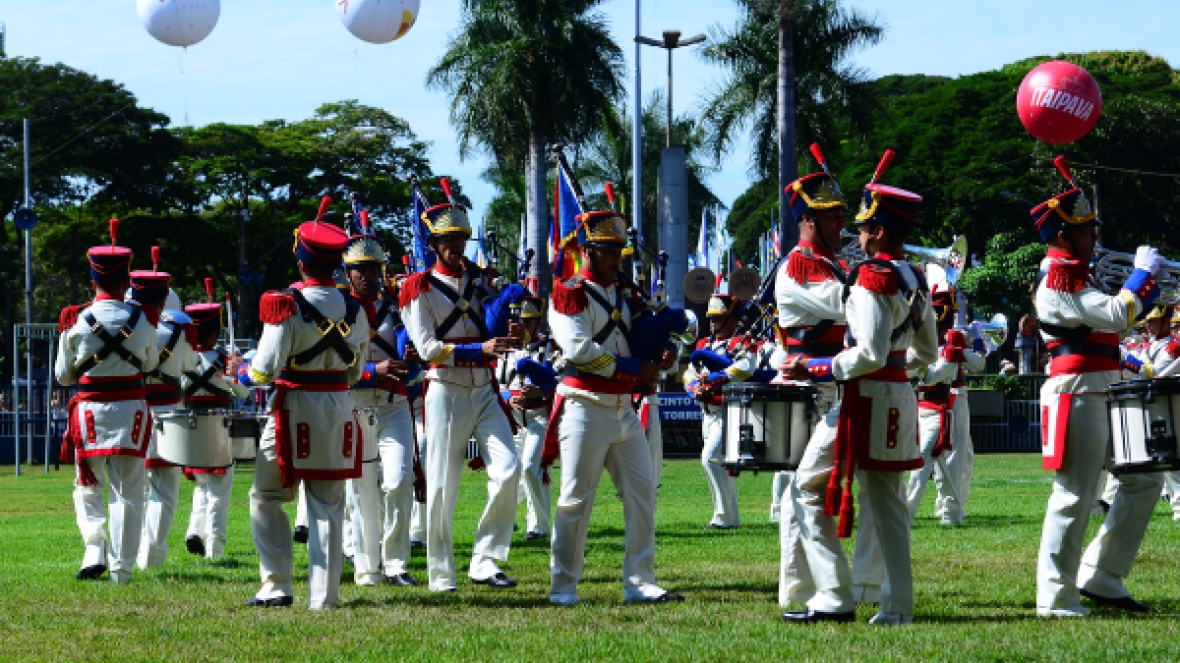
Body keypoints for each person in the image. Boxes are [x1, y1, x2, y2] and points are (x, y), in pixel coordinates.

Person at [782, 155, 938, 626]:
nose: (860, 235)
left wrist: (819, 367)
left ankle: (833, 593)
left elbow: (866, 353)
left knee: (805, 489)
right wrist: (895, 370)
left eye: (866, 226)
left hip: (862, 397)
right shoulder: (914, 276)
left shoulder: (870, 279)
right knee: (889, 507)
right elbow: (927, 353)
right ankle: (896, 606)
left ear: (882, 230)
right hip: (898, 394)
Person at [1031, 161, 1163, 617]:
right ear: (1063, 236)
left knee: (1144, 480)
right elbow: (1114, 315)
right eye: (1086, 231)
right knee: (1074, 495)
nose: (1094, 238)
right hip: (1078, 392)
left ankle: (1102, 575)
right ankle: (1055, 595)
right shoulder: (1060, 275)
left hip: (1106, 391)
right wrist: (1142, 276)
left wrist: (1143, 286)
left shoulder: (1081, 274)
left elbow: (1118, 320)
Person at [542, 209, 683, 606]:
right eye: (606, 251)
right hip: (584, 406)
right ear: (586, 251)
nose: (614, 258)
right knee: (574, 500)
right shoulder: (567, 292)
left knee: (643, 496)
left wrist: (663, 351)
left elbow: (642, 339)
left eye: (619, 251)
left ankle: (640, 581)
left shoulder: (625, 293)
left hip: (623, 409)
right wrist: (636, 369)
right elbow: (579, 350)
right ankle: (563, 586)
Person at [243, 216, 369, 609]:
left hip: (292, 409)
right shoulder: (356, 309)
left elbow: (263, 368)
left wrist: (244, 373)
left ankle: (277, 584)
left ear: (301, 264)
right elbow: (354, 371)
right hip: (338, 407)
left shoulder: (284, 305)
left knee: (266, 496)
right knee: (329, 505)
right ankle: (324, 597)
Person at [401, 195, 524, 592]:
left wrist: (509, 335)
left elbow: (490, 330)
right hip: (445, 389)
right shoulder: (417, 288)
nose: (456, 247)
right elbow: (426, 348)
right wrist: (480, 349)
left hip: (485, 388)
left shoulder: (481, 280)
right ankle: (441, 573)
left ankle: (486, 560)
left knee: (509, 470)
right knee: (440, 486)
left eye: (461, 239)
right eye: (448, 240)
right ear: (433, 245)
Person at [55, 220, 159, 584]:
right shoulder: (142, 319)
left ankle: (94, 547)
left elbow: (62, 376)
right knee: (130, 492)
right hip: (131, 409)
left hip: (89, 413)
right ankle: (122, 569)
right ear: (127, 278)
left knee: (87, 486)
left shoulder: (75, 320)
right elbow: (149, 364)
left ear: (93, 278)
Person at [771, 165, 851, 615]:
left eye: (841, 214)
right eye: (831, 216)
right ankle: (808, 591)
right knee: (800, 492)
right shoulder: (800, 267)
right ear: (808, 221)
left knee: (802, 493)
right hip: (810, 394)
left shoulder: (830, 264)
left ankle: (804, 591)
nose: (841, 223)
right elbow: (846, 304)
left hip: (829, 388)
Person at [343, 228, 423, 586]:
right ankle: (366, 565)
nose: (369, 276)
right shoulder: (339, 309)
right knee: (361, 490)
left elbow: (415, 359)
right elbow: (337, 367)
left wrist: (413, 358)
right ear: (348, 273)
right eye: (361, 269)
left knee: (399, 479)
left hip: (394, 405)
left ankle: (396, 564)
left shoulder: (397, 307)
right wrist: (375, 371)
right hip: (354, 404)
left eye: (375, 268)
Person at [132, 251, 201, 569]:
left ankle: (129, 553)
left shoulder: (129, 332)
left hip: (134, 413)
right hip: (169, 413)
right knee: (165, 489)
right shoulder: (179, 332)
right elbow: (190, 367)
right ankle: (153, 556)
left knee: (133, 487)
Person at [181, 289, 249, 560]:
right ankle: (214, 548)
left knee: (203, 485)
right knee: (219, 491)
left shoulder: (183, 360)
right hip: (219, 429)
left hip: (192, 430)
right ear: (214, 331)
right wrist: (238, 371)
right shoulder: (223, 360)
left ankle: (194, 531)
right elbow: (243, 393)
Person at [683, 285, 754, 530]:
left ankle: (722, 518)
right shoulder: (703, 343)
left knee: (709, 459)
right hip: (707, 412)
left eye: (719, 318)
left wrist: (715, 379)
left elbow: (746, 367)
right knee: (720, 464)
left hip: (730, 410)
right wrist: (695, 389)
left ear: (731, 320)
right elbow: (688, 374)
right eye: (711, 318)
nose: (713, 323)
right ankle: (731, 518)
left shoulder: (738, 342)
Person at [498, 295, 558, 541]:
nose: (521, 326)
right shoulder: (506, 348)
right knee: (510, 471)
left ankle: (539, 526)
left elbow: (561, 379)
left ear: (536, 323)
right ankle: (506, 518)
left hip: (539, 416)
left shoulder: (550, 347)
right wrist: (507, 399)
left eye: (527, 321)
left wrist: (542, 390)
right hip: (513, 419)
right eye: (518, 321)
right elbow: (498, 383)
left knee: (533, 469)